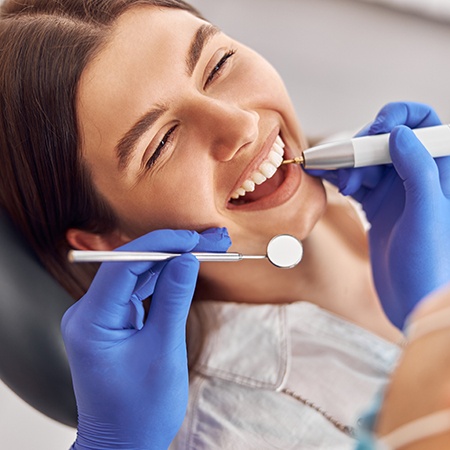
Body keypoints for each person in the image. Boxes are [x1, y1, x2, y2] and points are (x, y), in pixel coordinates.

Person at [0, 0, 449, 448]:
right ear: (108, 240)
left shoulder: (415, 195)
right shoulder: (226, 429)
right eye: (161, 145)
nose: (241, 125)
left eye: (218, 65)